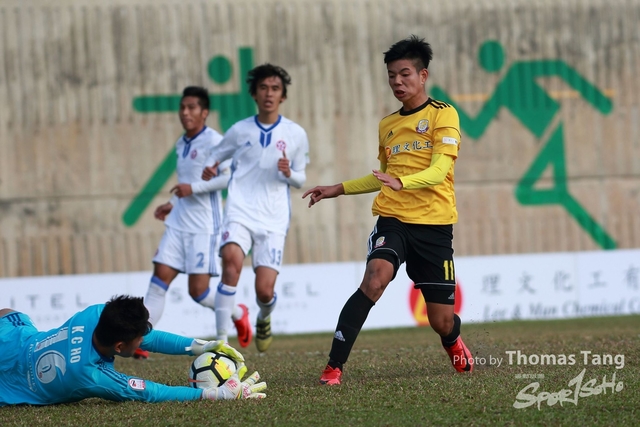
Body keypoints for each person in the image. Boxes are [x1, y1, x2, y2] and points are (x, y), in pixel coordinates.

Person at [302, 35, 473, 385]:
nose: (397, 81)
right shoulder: (387, 125)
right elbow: (382, 176)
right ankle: (333, 367)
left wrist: (402, 182)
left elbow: (439, 170)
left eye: (405, 74)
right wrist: (337, 188)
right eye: (392, 75)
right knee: (374, 278)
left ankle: (452, 340)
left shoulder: (444, 114)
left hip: (434, 225)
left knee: (441, 321)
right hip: (393, 219)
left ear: (423, 76)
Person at [201, 64, 310, 352]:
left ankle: (263, 316)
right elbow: (216, 155)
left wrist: (289, 173)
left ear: (282, 96)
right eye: (263, 88)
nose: (269, 94)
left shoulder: (295, 133)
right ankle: (221, 343)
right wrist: (211, 167)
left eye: (275, 89)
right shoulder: (239, 130)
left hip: (274, 218)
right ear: (254, 93)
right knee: (231, 264)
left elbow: (301, 179)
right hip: (240, 210)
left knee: (264, 291)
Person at [138, 86, 246, 359]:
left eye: (192, 107)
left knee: (198, 292)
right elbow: (185, 182)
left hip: (204, 227)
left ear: (204, 112)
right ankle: (141, 335)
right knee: (158, 280)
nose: (185, 112)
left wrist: (193, 189)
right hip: (178, 223)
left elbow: (229, 178)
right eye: (182, 107)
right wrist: (172, 202)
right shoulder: (181, 143)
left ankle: (237, 312)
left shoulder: (215, 141)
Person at [0, 295, 266, 406]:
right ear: (119, 346)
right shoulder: (90, 375)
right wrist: (214, 394)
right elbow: (150, 391)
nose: (143, 341)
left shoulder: (97, 314)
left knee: (7, 313)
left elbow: (150, 338)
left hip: (14, 340)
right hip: (8, 386)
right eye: (139, 339)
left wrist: (202, 346)